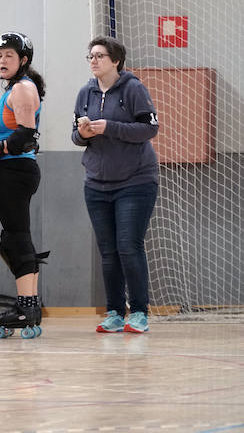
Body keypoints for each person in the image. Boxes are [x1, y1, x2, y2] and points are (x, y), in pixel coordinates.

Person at [72, 36, 159, 334]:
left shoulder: (133, 88)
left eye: (99, 56)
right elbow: (76, 136)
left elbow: (149, 128)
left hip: (135, 181)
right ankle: (113, 312)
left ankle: (139, 312)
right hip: (96, 183)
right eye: (91, 56)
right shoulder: (86, 92)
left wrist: (110, 127)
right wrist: (83, 133)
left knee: (128, 246)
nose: (94, 60)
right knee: (107, 251)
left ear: (115, 60)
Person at [0, 31, 47, 338]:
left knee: (16, 238)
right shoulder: (14, 89)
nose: (2, 60)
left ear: (23, 60)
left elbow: (26, 136)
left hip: (17, 169)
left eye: (9, 56)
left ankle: (27, 307)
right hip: (9, 169)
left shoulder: (23, 89)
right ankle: (27, 305)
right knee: (11, 239)